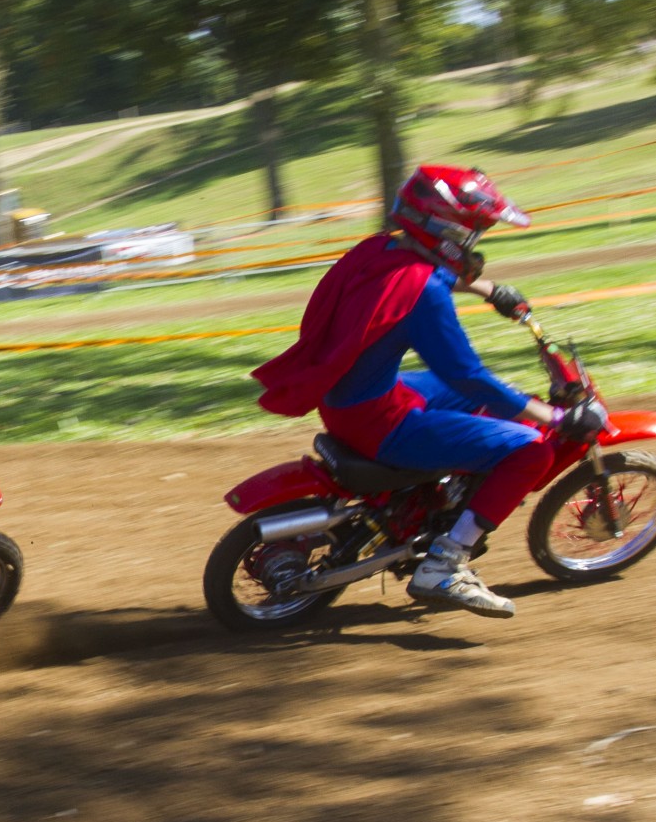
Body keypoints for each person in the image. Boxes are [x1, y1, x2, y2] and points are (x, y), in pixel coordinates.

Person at [250, 164, 607, 619]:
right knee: (530, 448)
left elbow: (412, 274)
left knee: (497, 400)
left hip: (348, 396)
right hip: (377, 420)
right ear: (447, 228)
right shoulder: (424, 293)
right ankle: (445, 564)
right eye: (475, 231)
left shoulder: (378, 249)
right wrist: (554, 418)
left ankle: (437, 497)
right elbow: (466, 374)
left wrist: (487, 288)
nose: (476, 241)